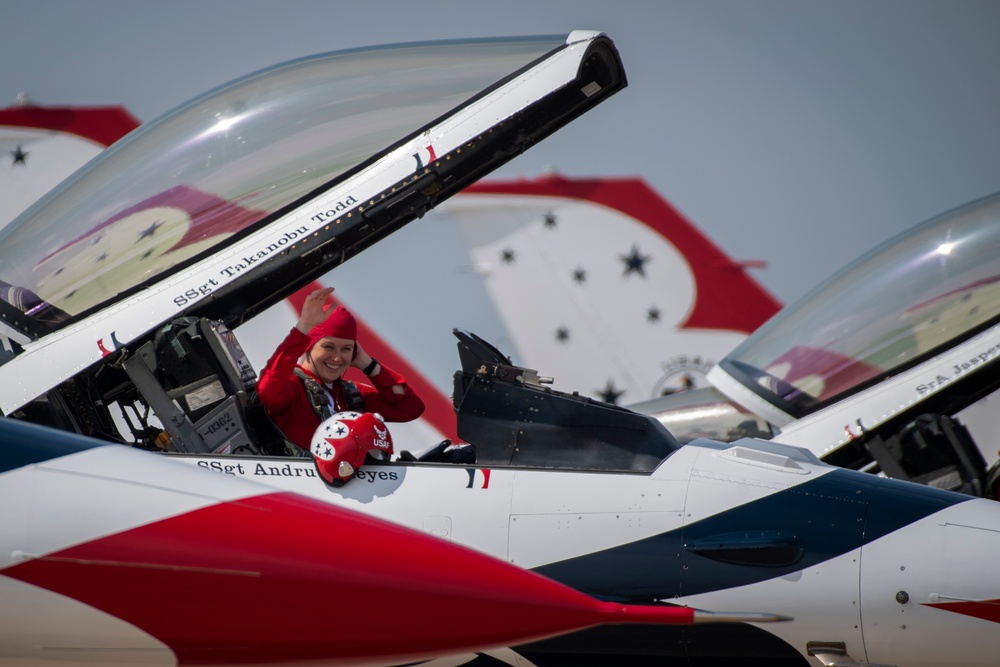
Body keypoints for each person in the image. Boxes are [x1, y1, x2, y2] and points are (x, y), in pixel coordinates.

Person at [257, 286, 424, 452]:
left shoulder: (351, 394)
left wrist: (368, 364)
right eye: (328, 347)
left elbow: (410, 408)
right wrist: (303, 328)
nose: (337, 358)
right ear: (308, 345)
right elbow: (267, 392)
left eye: (346, 349)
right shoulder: (292, 386)